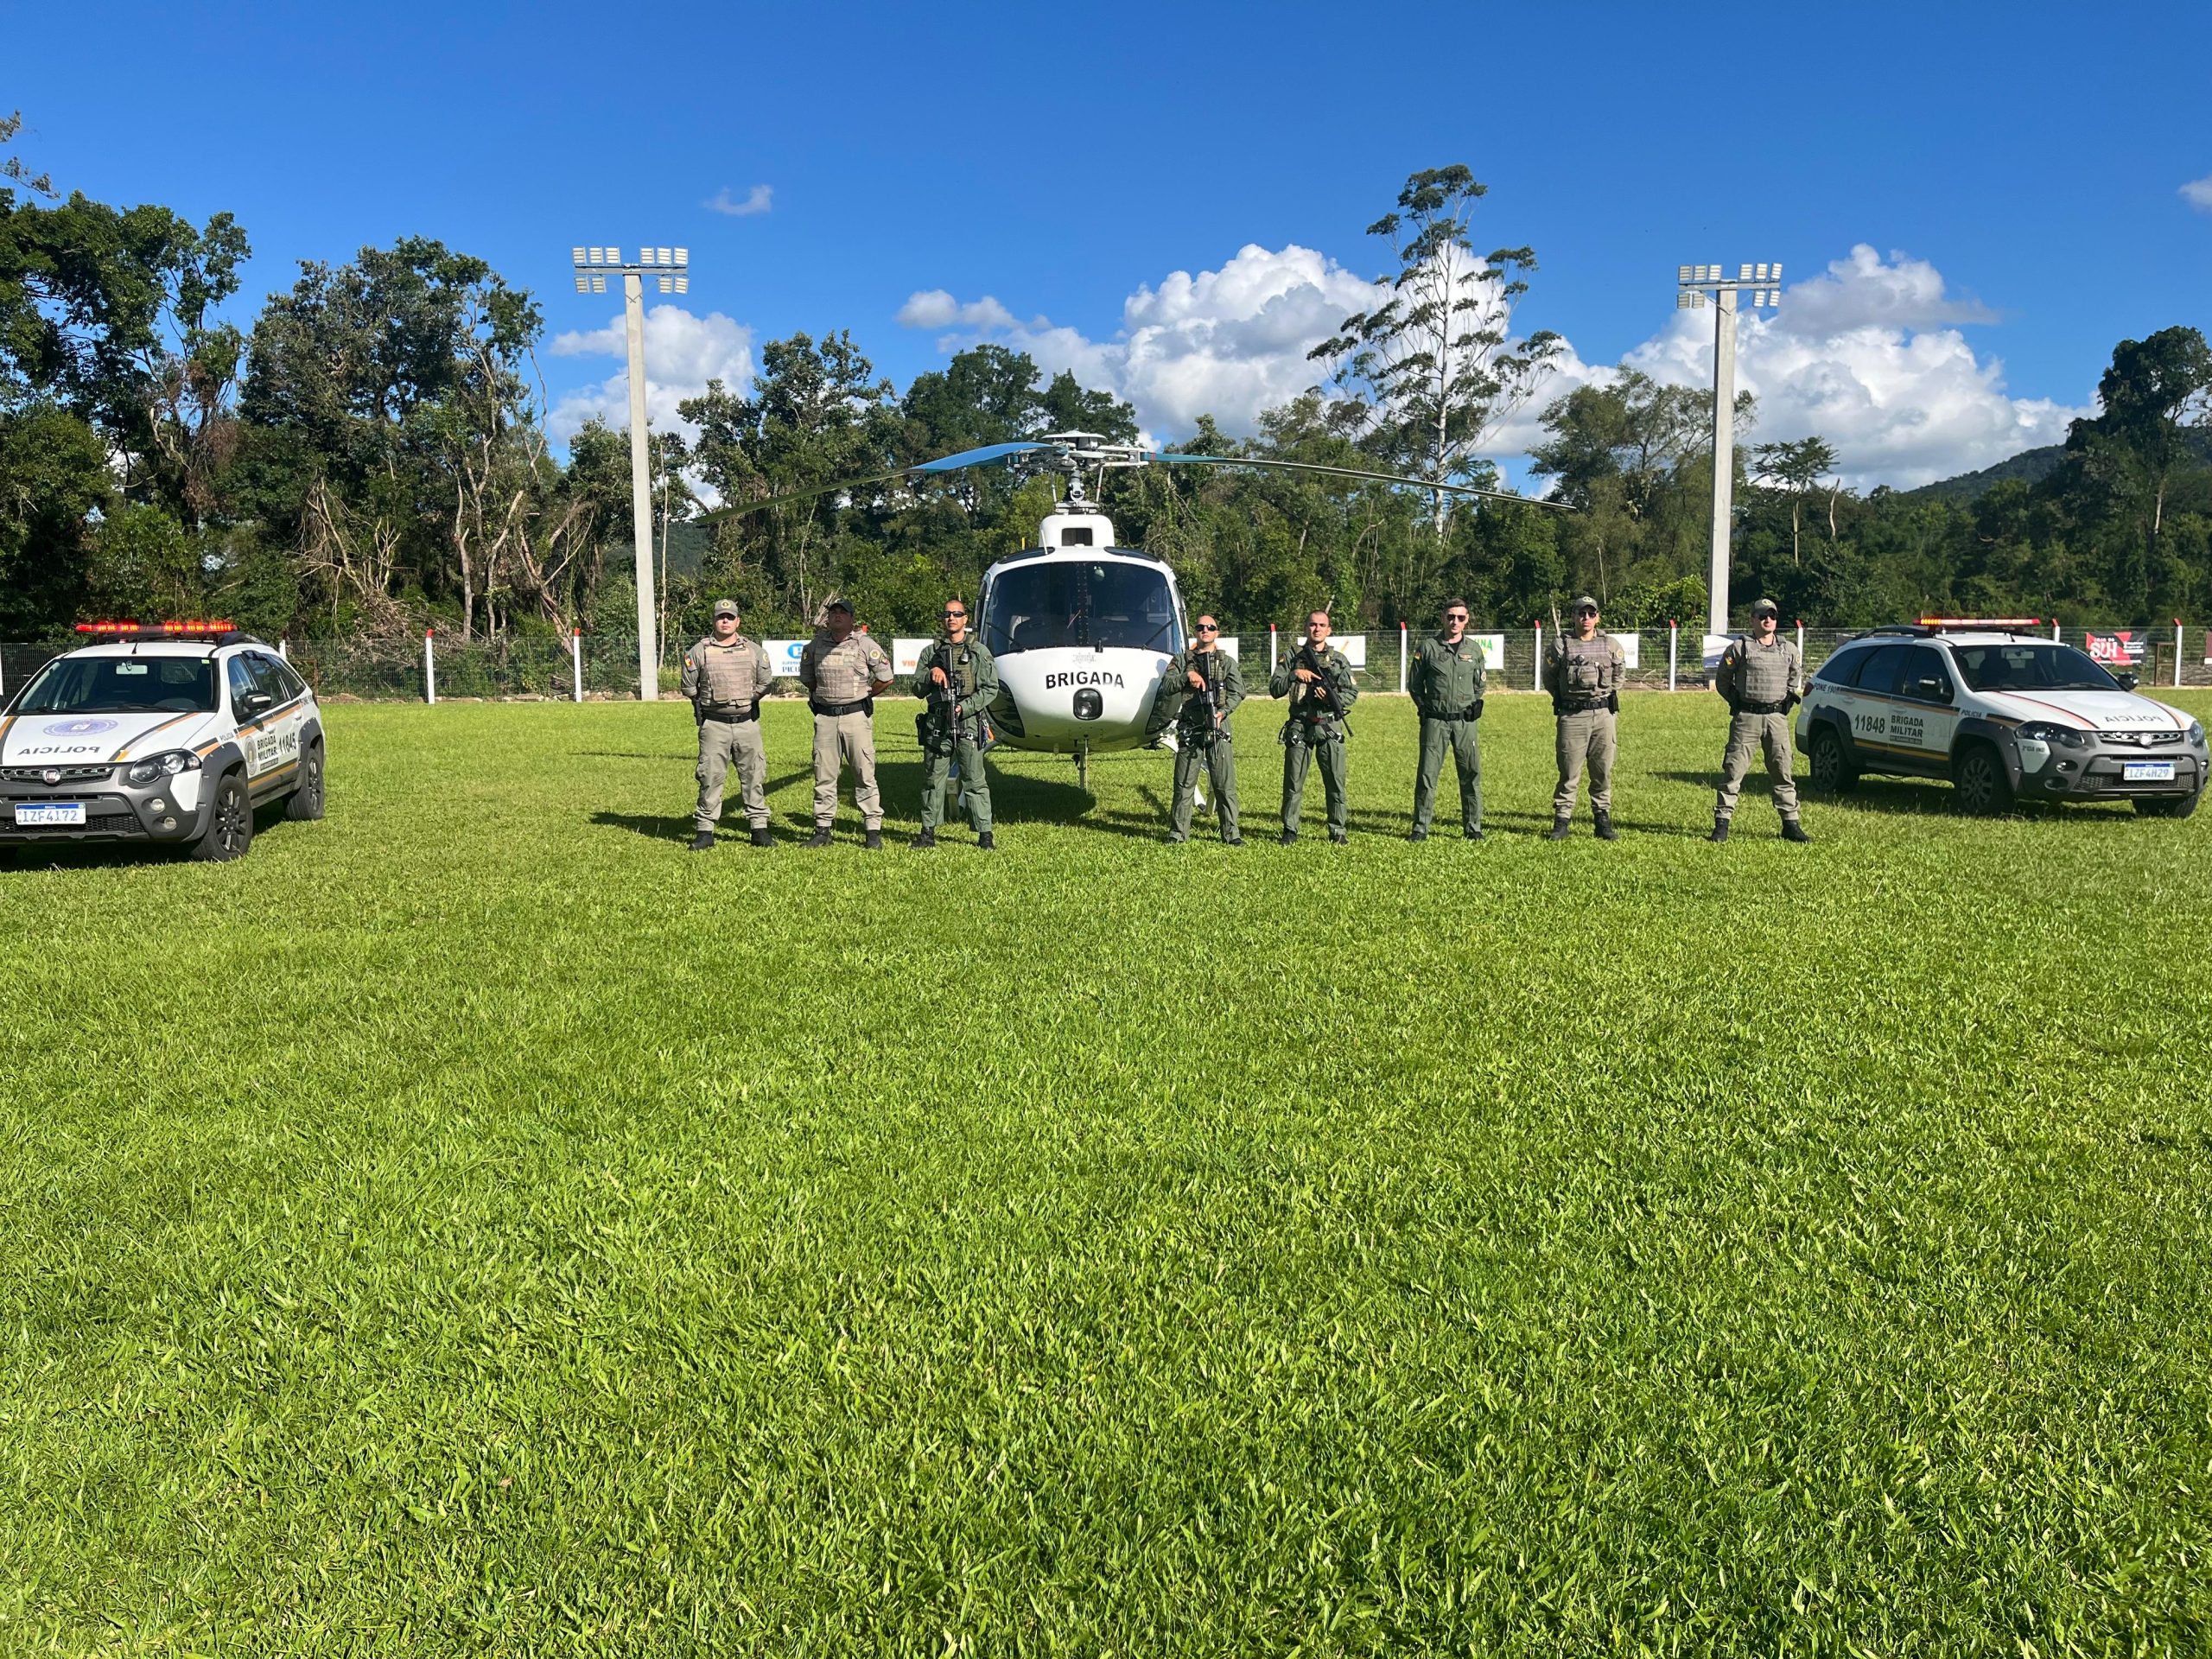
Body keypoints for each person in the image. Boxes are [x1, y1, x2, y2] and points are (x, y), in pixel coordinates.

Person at [1711, 598, 1811, 842]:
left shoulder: (1788, 650)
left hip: (1776, 719)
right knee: (1734, 770)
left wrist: (1785, 700)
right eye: (1763, 616)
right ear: (1752, 620)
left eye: (1772, 615)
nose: (1768, 620)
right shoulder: (1740, 648)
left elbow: (1794, 678)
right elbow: (1723, 680)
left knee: (1782, 771)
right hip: (1747, 718)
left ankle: (1791, 824)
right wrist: (1737, 701)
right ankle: (1722, 824)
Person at [678, 599, 776, 851]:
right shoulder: (699, 651)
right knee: (710, 777)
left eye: (730, 617)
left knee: (754, 775)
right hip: (714, 725)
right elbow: (689, 687)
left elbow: (764, 683)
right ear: (714, 621)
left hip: (747, 724)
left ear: (737, 621)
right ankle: (705, 831)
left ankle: (759, 828)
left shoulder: (754, 650)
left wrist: (746, 699)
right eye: (721, 617)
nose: (725, 621)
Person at [798, 597, 893, 848]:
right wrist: (824, 696)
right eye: (833, 612)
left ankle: (872, 831)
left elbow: (885, 677)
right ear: (828, 618)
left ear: (852, 619)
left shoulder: (865, 645)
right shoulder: (816, 645)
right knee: (824, 775)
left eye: (843, 612)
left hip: (855, 718)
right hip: (826, 718)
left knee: (864, 774)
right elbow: (807, 677)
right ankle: (822, 830)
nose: (837, 616)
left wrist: (865, 695)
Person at [911, 598, 1000, 850]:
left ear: (965, 619)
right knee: (932, 779)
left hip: (968, 723)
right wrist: (931, 674)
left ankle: (985, 835)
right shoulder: (930, 653)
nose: (951, 618)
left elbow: (991, 688)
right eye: (947, 614)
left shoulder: (978, 652)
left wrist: (965, 707)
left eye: (957, 614)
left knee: (974, 780)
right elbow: (917, 687)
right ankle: (928, 833)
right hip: (937, 724)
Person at [1148, 613, 1244, 843]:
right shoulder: (1182, 660)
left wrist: (1224, 711)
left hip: (1218, 727)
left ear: (1216, 632)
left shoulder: (1226, 662)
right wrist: (1186, 676)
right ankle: (1178, 834)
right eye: (1201, 627)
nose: (1205, 630)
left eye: (1210, 627)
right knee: (1184, 784)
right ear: (1196, 631)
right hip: (1191, 728)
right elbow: (1166, 686)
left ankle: (1231, 835)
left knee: (1223, 785)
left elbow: (1238, 691)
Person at [1269, 608, 1357, 843]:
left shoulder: (1339, 660)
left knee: (1335, 783)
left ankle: (1337, 831)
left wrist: (1331, 698)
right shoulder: (1291, 656)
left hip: (1329, 726)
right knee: (1293, 782)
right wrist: (1294, 675)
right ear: (1305, 628)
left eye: (1321, 625)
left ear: (1329, 630)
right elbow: (1275, 688)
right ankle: (1290, 830)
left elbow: (1352, 692)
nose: (1316, 629)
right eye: (1312, 625)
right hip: (1299, 726)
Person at [1544, 595, 1626, 841]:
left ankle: (1602, 820)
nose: (1586, 618)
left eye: (1591, 614)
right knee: (1569, 771)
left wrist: (1605, 695)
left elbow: (1620, 674)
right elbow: (1549, 678)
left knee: (1602, 770)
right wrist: (1565, 699)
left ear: (1598, 617)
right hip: (1573, 716)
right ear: (1574, 616)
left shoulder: (1610, 644)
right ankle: (1562, 821)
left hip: (1603, 715)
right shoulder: (1561, 646)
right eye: (1582, 613)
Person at [1408, 598, 1487, 841]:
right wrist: (1424, 708)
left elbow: (1480, 684)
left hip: (1465, 723)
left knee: (1471, 774)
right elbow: (1415, 684)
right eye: (1451, 617)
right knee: (1427, 775)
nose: (1455, 622)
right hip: (1435, 721)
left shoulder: (1473, 650)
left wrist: (1472, 704)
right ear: (1443, 617)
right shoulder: (1428, 647)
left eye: (1460, 618)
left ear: (1467, 620)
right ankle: (1420, 827)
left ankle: (1473, 828)